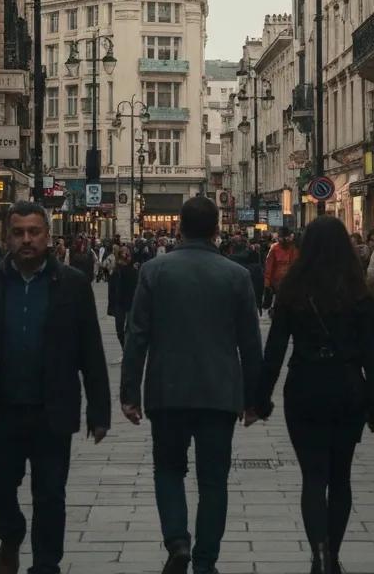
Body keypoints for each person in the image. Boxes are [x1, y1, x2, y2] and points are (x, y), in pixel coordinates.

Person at [0, 202, 110, 574]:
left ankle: (46, 566)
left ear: (48, 236)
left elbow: (91, 352)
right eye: (18, 233)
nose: (27, 239)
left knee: (50, 495)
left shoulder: (72, 284)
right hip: (0, 407)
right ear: (6, 238)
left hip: (53, 409)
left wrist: (99, 412)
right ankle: (11, 530)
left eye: (34, 232)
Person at [122, 195, 262, 574]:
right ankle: (206, 560)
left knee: (168, 469)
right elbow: (250, 343)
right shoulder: (237, 275)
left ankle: (178, 540)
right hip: (220, 393)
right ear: (218, 229)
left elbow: (136, 335)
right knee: (213, 480)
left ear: (179, 228)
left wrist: (129, 393)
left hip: (167, 391)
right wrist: (255, 399)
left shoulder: (154, 270)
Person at [256, 216, 374, 574]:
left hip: (305, 388)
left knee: (313, 478)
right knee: (340, 478)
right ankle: (335, 555)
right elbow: (373, 357)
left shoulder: (292, 289)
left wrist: (260, 399)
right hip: (347, 389)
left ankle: (320, 553)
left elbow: (275, 351)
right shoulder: (360, 293)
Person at [107, 246, 139, 348]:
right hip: (119, 303)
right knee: (119, 329)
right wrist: (111, 305)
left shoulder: (133, 269)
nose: (126, 256)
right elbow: (111, 289)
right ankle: (124, 348)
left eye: (127, 253)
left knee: (129, 329)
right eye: (123, 253)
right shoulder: (116, 270)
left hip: (130, 301)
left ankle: (127, 351)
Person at [228, 236, 265, 316]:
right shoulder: (255, 263)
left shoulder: (227, 262)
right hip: (250, 302)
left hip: (232, 303)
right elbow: (259, 286)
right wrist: (259, 303)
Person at [264, 229, 299, 313]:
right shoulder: (274, 249)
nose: (285, 240)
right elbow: (269, 267)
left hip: (290, 283)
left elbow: (297, 265)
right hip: (278, 284)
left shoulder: (295, 249)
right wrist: (267, 285)